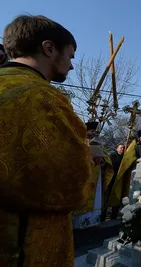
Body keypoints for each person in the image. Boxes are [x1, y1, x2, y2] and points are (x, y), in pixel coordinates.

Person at [0, 15, 91, 266]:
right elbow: (72, 183)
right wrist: (87, 156)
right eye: (71, 56)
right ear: (49, 48)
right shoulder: (43, 97)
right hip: (24, 245)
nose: (72, 66)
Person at [72, 122, 114, 228]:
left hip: (96, 175)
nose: (93, 133)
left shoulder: (98, 144)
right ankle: (78, 223)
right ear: (85, 131)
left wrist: (101, 160)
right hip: (83, 175)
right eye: (91, 131)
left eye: (94, 132)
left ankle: (92, 222)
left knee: (95, 198)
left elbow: (106, 160)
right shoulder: (79, 142)